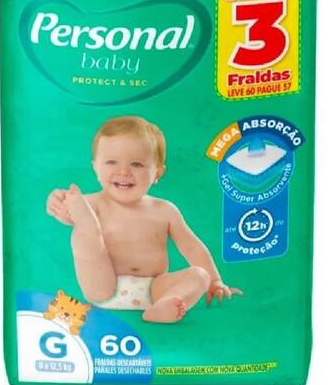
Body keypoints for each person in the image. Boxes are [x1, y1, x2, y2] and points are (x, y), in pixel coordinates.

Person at [47, 116, 242, 323]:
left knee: (199, 276)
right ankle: (87, 225)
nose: (123, 171)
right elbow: (66, 217)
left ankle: (165, 306)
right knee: (86, 236)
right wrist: (58, 203)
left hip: (153, 289)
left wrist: (214, 280)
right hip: (102, 287)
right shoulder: (90, 204)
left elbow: (192, 247)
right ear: (96, 167)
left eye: (137, 164)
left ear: (157, 173)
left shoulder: (165, 210)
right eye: (111, 162)